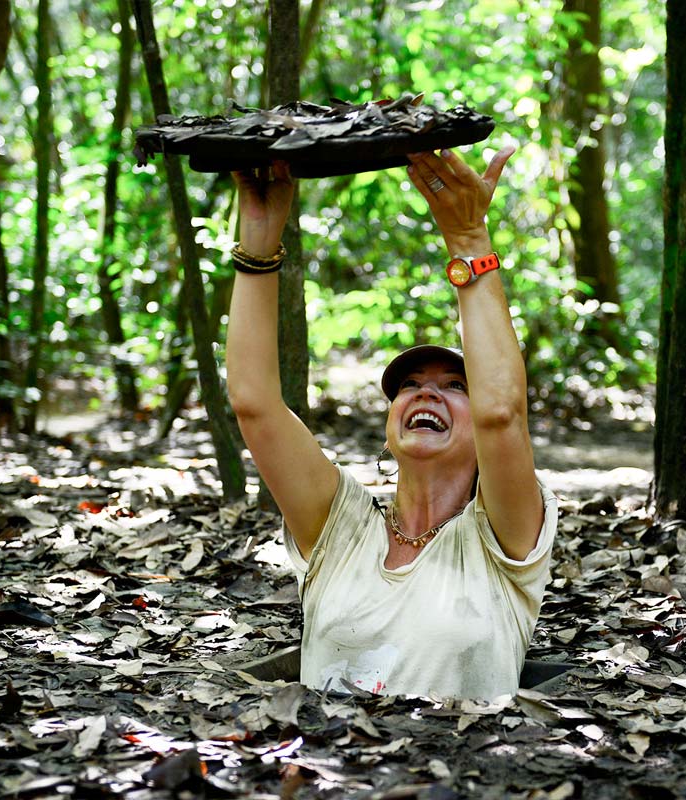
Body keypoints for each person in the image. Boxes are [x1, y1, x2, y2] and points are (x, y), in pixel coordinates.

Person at [225, 146, 558, 699]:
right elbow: (254, 403)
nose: (427, 390)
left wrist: (470, 241)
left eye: (456, 387)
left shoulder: (504, 536)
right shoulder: (339, 529)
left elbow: (503, 414)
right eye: (410, 385)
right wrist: (259, 242)